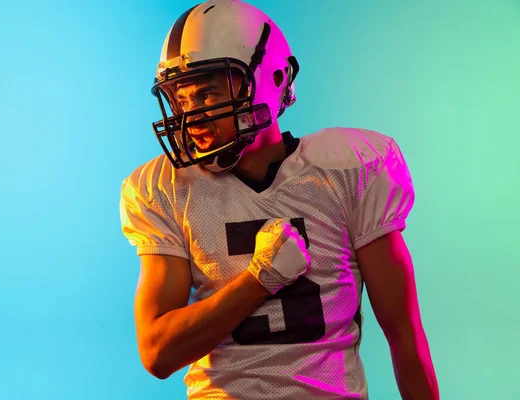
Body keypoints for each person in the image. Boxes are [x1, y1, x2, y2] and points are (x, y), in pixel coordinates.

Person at [119, 0, 439, 398]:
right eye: (182, 100)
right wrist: (258, 280)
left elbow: (406, 342)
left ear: (274, 77)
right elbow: (157, 353)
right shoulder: (166, 188)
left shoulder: (348, 171)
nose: (192, 117)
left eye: (207, 94)